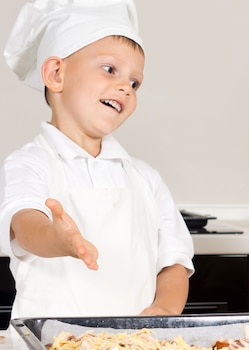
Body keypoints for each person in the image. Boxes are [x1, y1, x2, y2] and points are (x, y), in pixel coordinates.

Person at [0, 0, 194, 319]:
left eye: (135, 82)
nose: (126, 88)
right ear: (56, 73)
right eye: (110, 69)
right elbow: (24, 225)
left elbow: (174, 262)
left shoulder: (145, 178)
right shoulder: (29, 163)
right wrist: (57, 238)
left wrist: (163, 309)